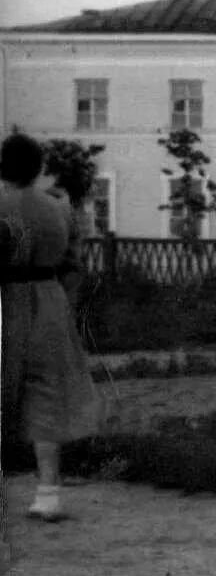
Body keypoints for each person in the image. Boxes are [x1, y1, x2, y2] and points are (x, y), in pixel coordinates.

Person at [0, 133, 101, 521]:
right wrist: (63, 305)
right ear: (39, 168)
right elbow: (75, 266)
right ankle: (47, 492)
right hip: (49, 300)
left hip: (6, 300)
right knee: (44, 393)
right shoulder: (58, 209)